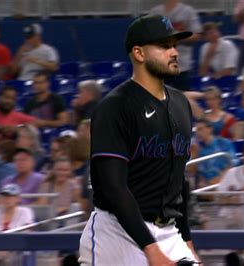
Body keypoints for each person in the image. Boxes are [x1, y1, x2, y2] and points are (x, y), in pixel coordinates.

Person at [78, 15, 200, 265]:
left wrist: (187, 242)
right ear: (139, 53)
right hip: (117, 233)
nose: (174, 52)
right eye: (165, 46)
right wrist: (151, 250)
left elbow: (178, 181)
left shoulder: (181, 104)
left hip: (169, 230)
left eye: (175, 45)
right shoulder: (115, 107)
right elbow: (113, 187)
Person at [149, 0, 202, 91]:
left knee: (182, 100)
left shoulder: (187, 11)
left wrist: (178, 38)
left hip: (181, 66)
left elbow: (196, 35)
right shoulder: (155, 12)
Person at [195, 119, 237, 187]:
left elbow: (233, 162)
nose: (198, 133)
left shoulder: (224, 143)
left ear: (210, 129)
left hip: (226, 179)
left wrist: (220, 179)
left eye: (200, 129)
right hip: (209, 184)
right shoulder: (201, 151)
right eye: (196, 130)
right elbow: (202, 172)